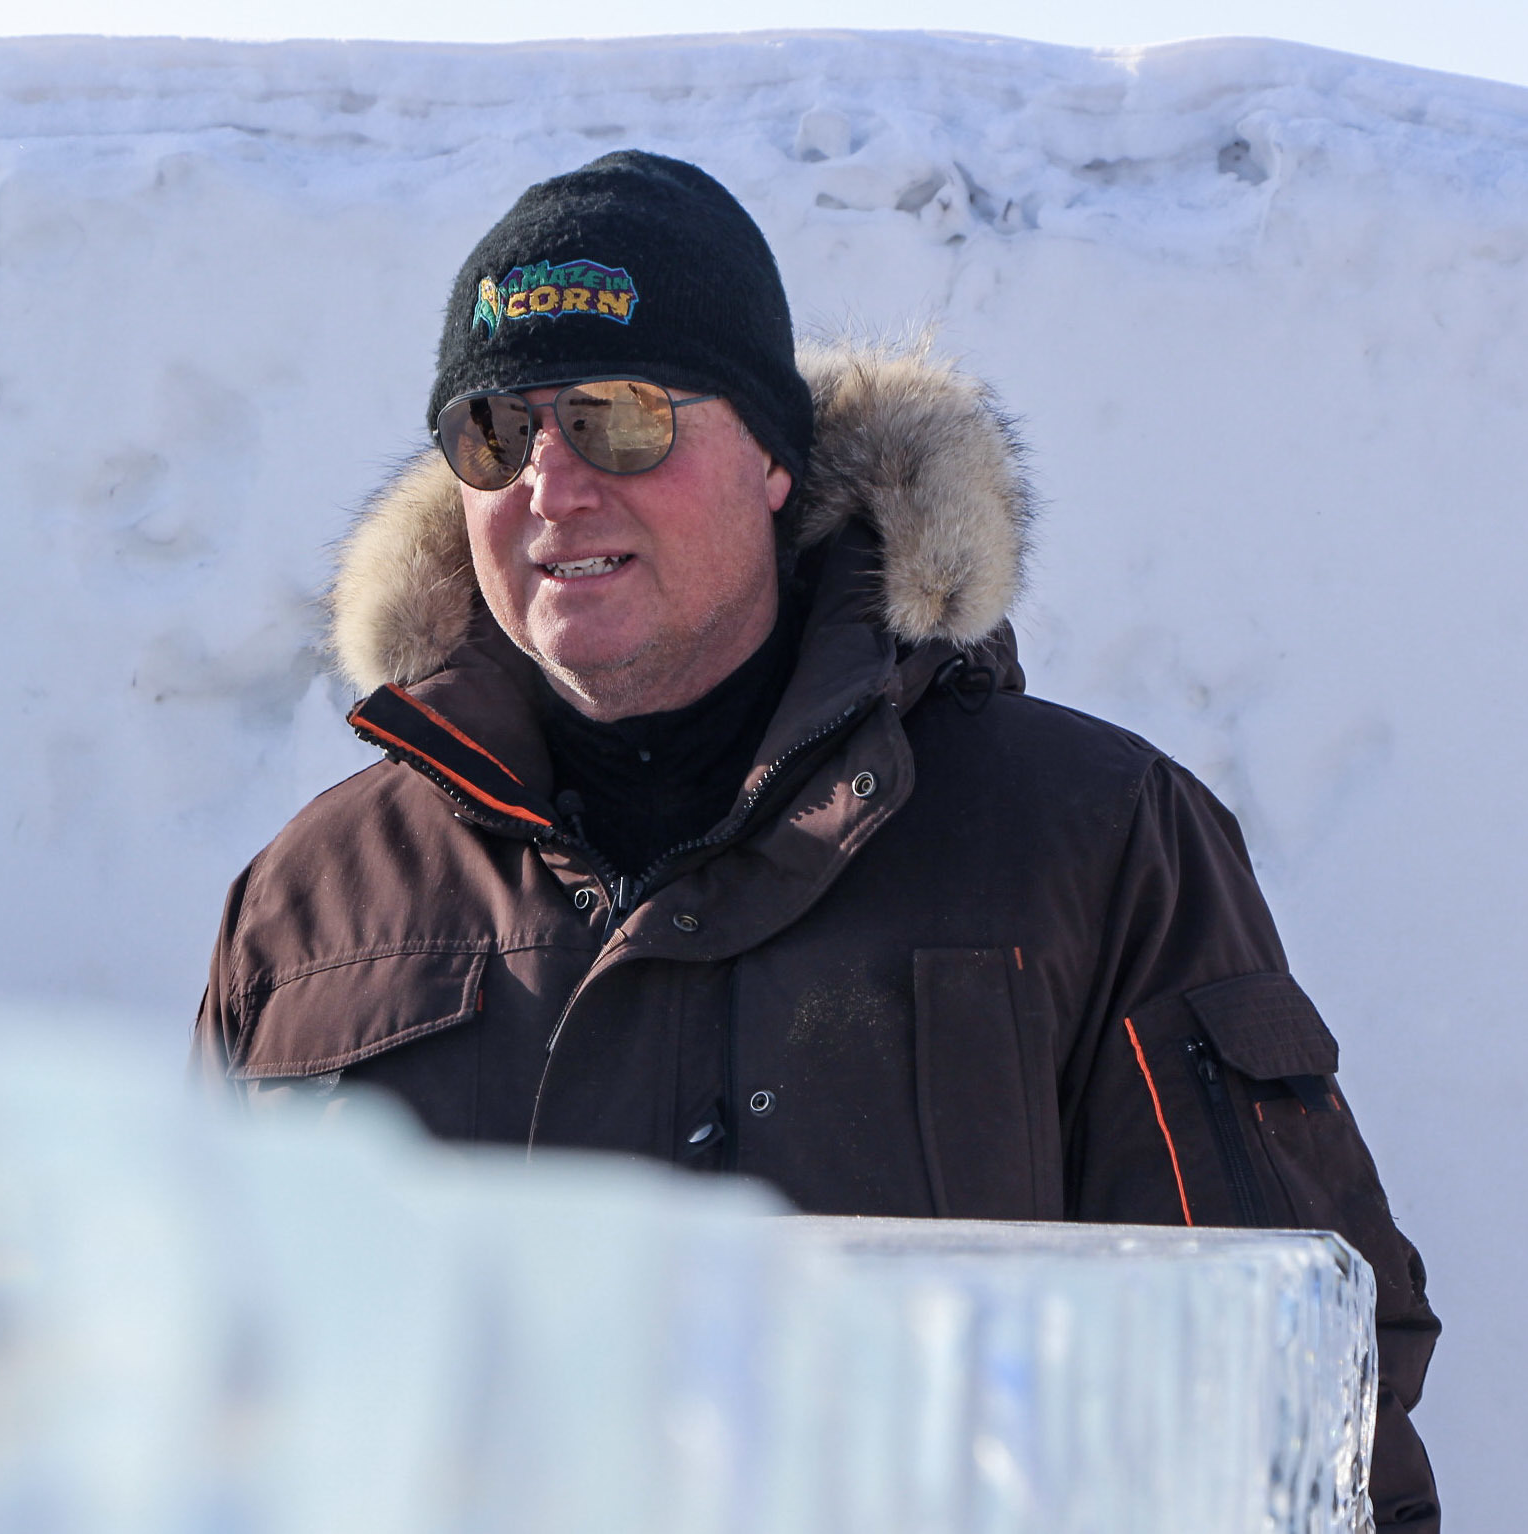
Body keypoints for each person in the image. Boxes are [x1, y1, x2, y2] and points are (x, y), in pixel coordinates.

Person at [193, 151, 1437, 1526]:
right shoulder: (309, 911)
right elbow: (203, 1413)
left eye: (617, 418)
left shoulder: (1086, 841)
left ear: (776, 459)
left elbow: (1302, 1400)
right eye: (491, 430)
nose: (549, 482)